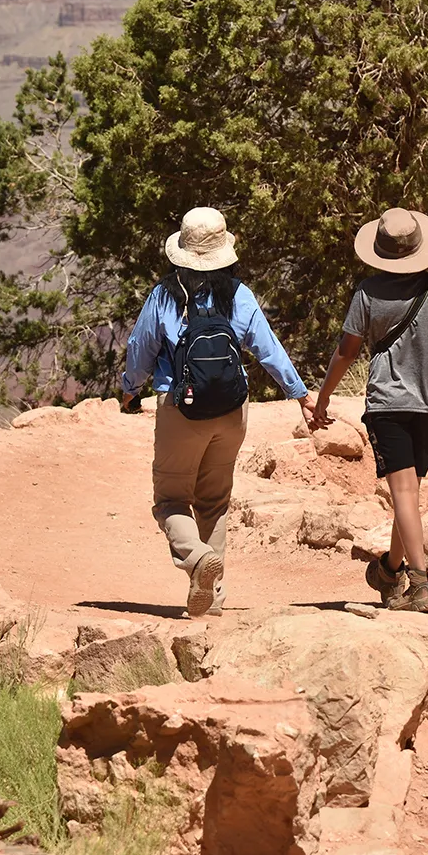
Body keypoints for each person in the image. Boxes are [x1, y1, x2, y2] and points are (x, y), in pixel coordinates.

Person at [121, 207, 317, 617]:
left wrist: (128, 390)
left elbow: (141, 351)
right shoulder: (238, 294)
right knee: (214, 502)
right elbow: (268, 349)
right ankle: (214, 600)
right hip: (231, 411)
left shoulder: (164, 295)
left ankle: (195, 559)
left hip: (181, 410)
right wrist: (300, 394)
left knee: (170, 500)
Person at [312, 207, 428, 612]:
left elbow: (346, 351)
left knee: (403, 493)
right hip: (426, 406)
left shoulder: (367, 293)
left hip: (386, 404)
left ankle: (421, 584)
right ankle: (389, 568)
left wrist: (324, 396)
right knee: (410, 493)